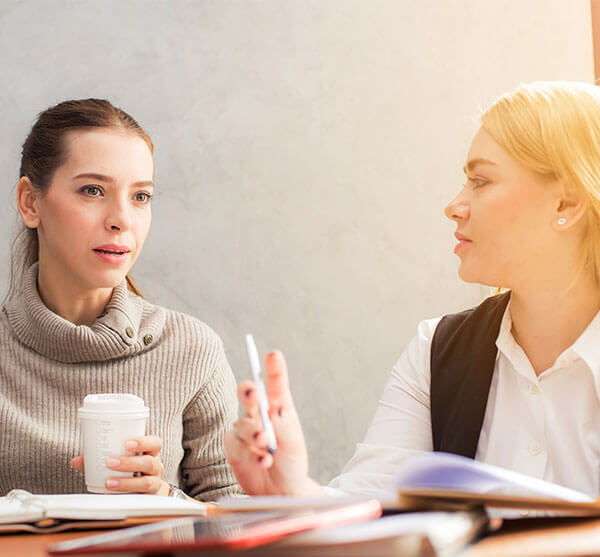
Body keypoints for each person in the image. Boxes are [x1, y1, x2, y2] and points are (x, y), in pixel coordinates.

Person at [225, 81, 600, 499]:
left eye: (481, 180)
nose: (454, 205)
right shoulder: (435, 350)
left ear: (566, 204)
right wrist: (294, 491)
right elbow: (371, 506)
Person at [0, 99, 240, 501]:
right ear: (31, 202)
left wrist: (164, 502)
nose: (122, 219)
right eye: (93, 190)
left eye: (140, 197)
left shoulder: (192, 350)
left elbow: (239, 521)